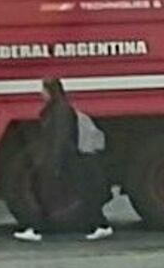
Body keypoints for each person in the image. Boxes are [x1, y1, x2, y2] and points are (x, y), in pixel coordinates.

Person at [13, 78, 113, 242]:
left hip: (65, 159)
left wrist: (53, 162)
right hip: (67, 158)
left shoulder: (59, 111)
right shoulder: (59, 108)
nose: (41, 93)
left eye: (44, 90)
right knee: (76, 192)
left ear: (51, 91)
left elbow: (60, 138)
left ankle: (36, 229)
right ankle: (101, 225)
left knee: (44, 193)